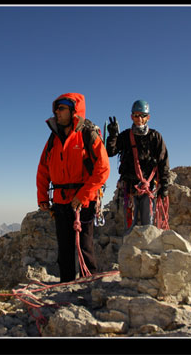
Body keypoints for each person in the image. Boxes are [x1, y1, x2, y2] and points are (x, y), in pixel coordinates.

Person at [36, 93, 110, 283]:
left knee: (84, 246)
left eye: (61, 109)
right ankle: (66, 286)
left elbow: (103, 169)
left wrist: (84, 195)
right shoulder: (53, 138)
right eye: (56, 109)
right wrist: (42, 196)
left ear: (73, 111)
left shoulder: (87, 134)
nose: (57, 113)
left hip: (83, 202)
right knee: (65, 249)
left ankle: (90, 286)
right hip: (60, 201)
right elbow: (43, 168)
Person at [106, 99, 170, 231]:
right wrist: (113, 135)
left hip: (149, 187)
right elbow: (110, 152)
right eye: (136, 115)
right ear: (131, 116)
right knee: (129, 225)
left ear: (148, 117)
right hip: (129, 188)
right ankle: (129, 250)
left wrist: (164, 185)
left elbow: (163, 161)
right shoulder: (124, 136)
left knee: (148, 225)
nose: (139, 118)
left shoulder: (155, 137)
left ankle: (147, 249)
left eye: (142, 115)